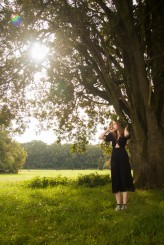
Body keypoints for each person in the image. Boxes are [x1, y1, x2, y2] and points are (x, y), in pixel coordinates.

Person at [99, 120, 135, 211]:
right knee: (116, 179)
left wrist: (126, 128)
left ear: (118, 125)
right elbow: (100, 137)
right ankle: (118, 204)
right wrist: (107, 129)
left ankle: (125, 204)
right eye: (112, 124)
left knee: (124, 178)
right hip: (114, 157)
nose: (113, 125)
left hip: (123, 156)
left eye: (114, 123)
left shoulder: (123, 134)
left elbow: (127, 136)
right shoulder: (112, 135)